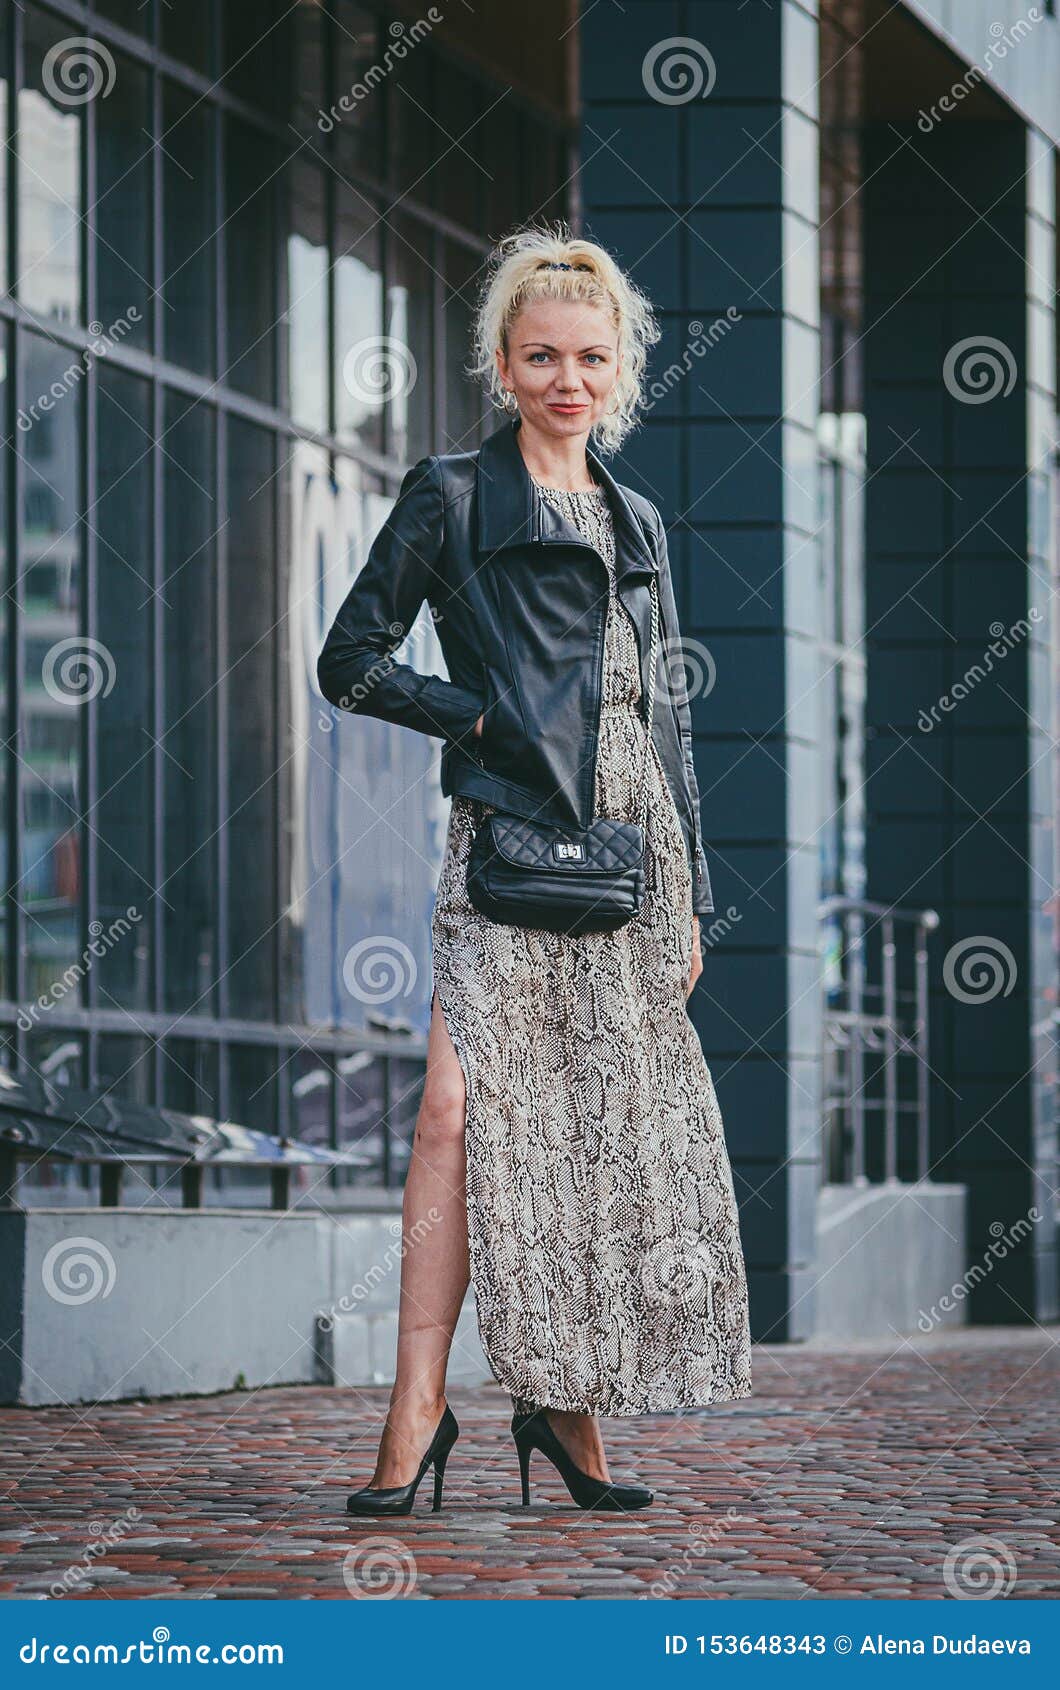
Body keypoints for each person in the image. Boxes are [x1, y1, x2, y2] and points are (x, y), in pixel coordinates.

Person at [317, 223, 751, 1516]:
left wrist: (692, 893)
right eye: (542, 355)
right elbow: (351, 659)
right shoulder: (451, 495)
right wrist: (484, 720)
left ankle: (566, 1410)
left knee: (599, 1132)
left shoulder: (639, 518)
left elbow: (663, 717)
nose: (569, 377)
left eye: (592, 358)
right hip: (511, 825)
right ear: (502, 365)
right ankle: (416, 1407)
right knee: (455, 1111)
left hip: (632, 848)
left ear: (623, 372)